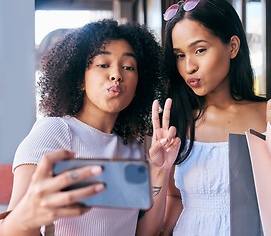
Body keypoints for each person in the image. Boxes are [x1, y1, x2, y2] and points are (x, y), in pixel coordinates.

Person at [0, 19, 180, 236]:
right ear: (80, 79)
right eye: (103, 64)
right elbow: (9, 228)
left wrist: (161, 169)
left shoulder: (134, 145)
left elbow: (145, 233)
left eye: (128, 67)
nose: (116, 75)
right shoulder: (53, 133)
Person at [161, 0, 271, 235]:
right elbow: (174, 198)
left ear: (232, 47)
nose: (188, 66)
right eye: (180, 55)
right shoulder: (177, 121)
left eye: (200, 50)